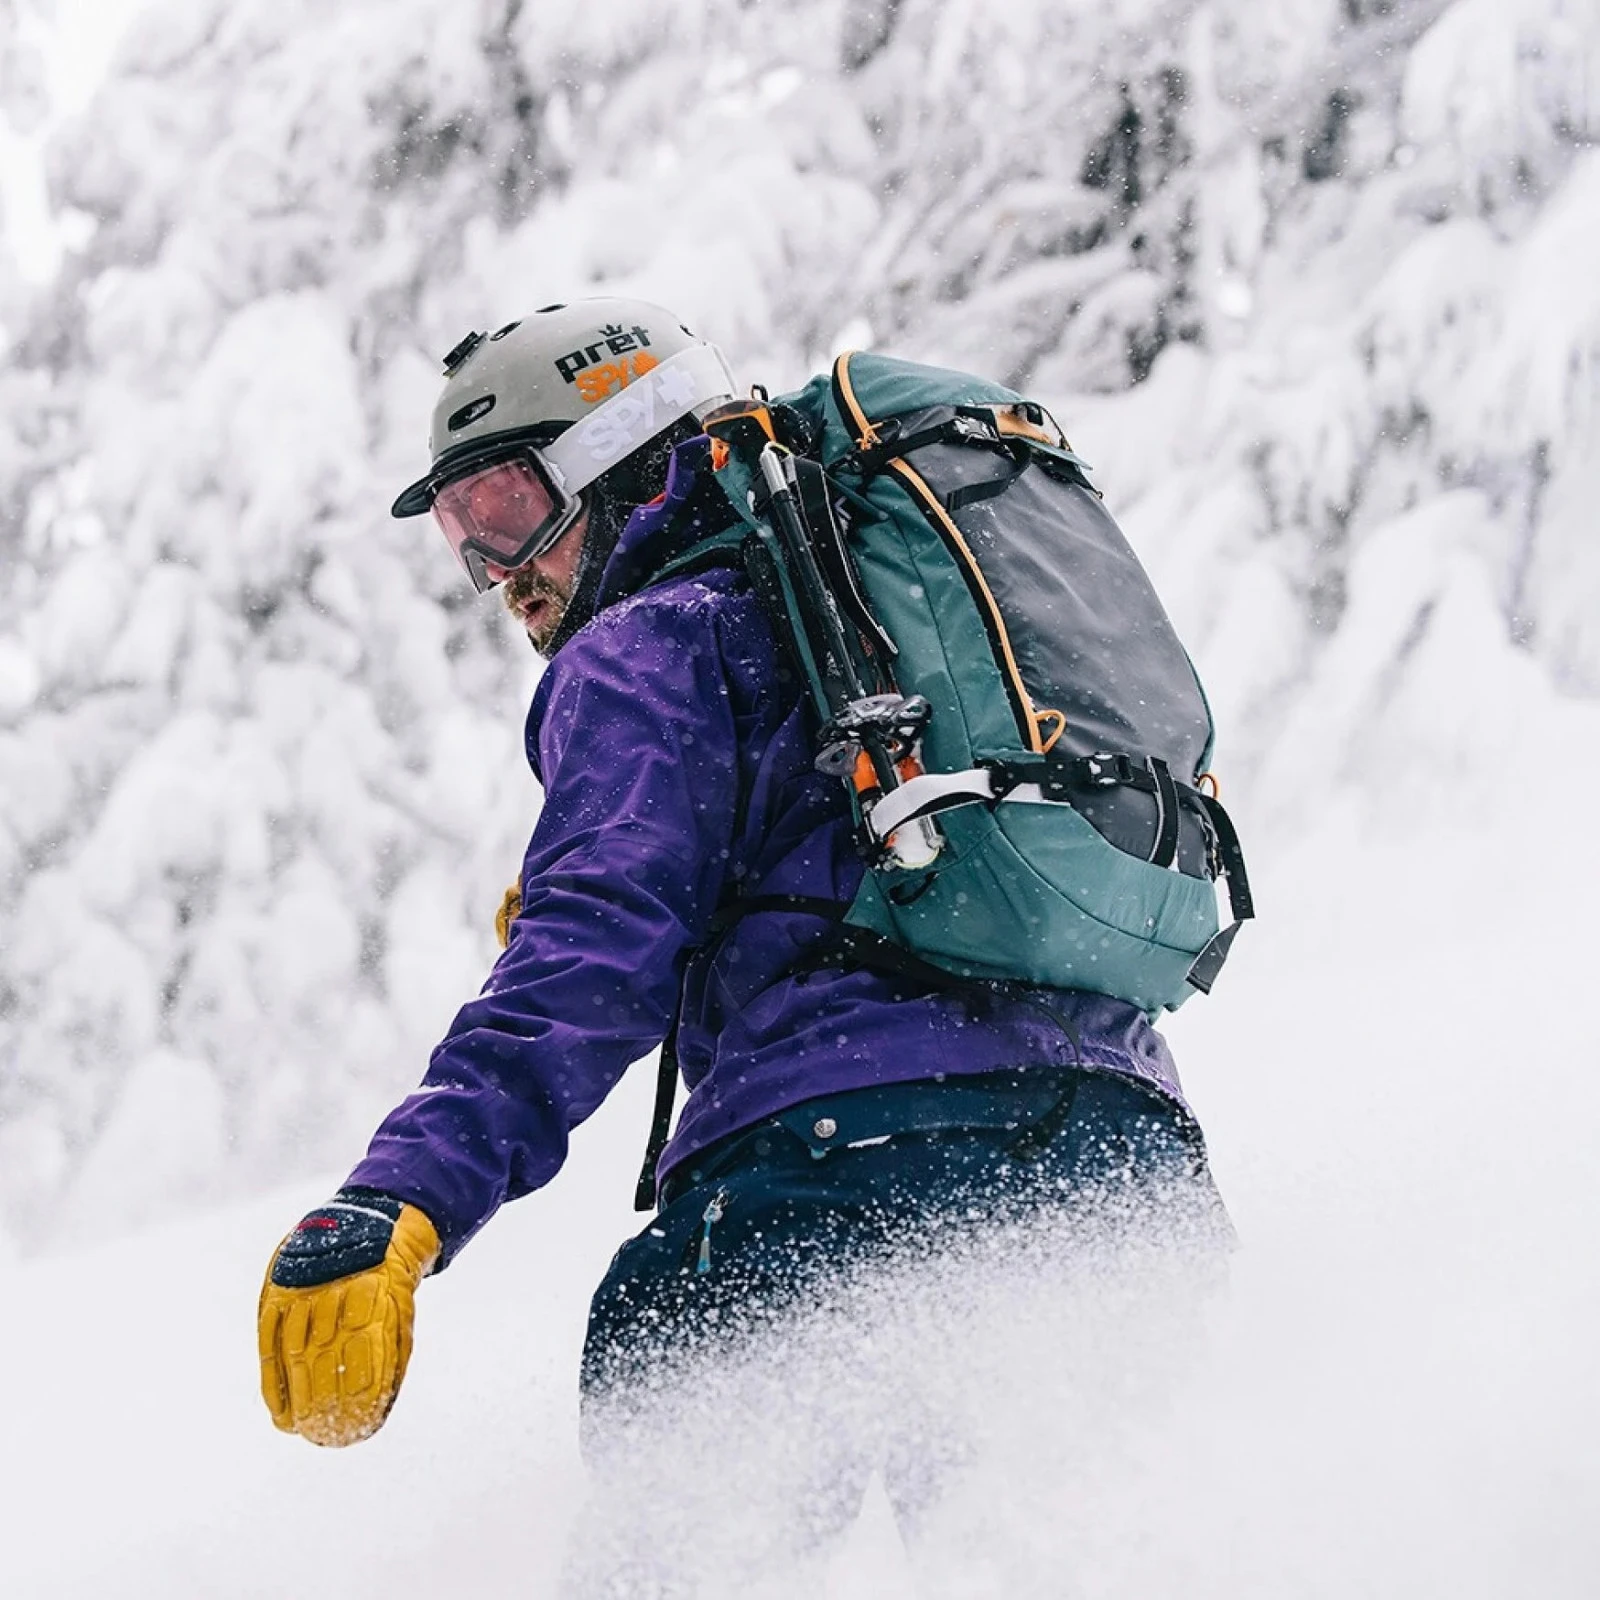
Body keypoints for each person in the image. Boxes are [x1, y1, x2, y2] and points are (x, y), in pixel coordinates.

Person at [257, 299, 1232, 1563]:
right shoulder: (854, 623)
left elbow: (587, 955)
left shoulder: (648, 642)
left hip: (833, 1173)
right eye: (463, 538)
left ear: (623, 456)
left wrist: (400, 1195)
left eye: (509, 509)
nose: (501, 574)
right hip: (1117, 1160)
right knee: (1072, 1558)